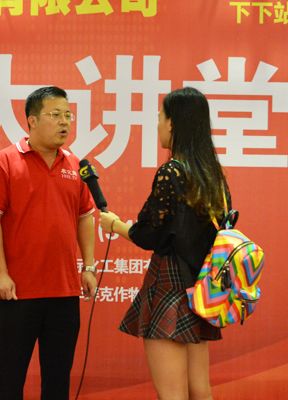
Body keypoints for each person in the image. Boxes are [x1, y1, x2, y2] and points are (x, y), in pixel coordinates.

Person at [99, 87, 230, 400]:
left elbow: (149, 234)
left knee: (171, 393)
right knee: (200, 390)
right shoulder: (212, 174)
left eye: (160, 116)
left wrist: (115, 225)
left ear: (172, 123)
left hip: (170, 284)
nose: (157, 124)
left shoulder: (172, 171)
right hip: (201, 288)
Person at [0, 86, 98, 400]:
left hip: (64, 292)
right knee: (7, 383)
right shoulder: (5, 161)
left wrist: (88, 266)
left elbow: (86, 217)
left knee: (57, 385)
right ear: (32, 120)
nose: (65, 122)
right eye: (55, 114)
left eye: (68, 115)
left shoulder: (76, 165)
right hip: (18, 291)